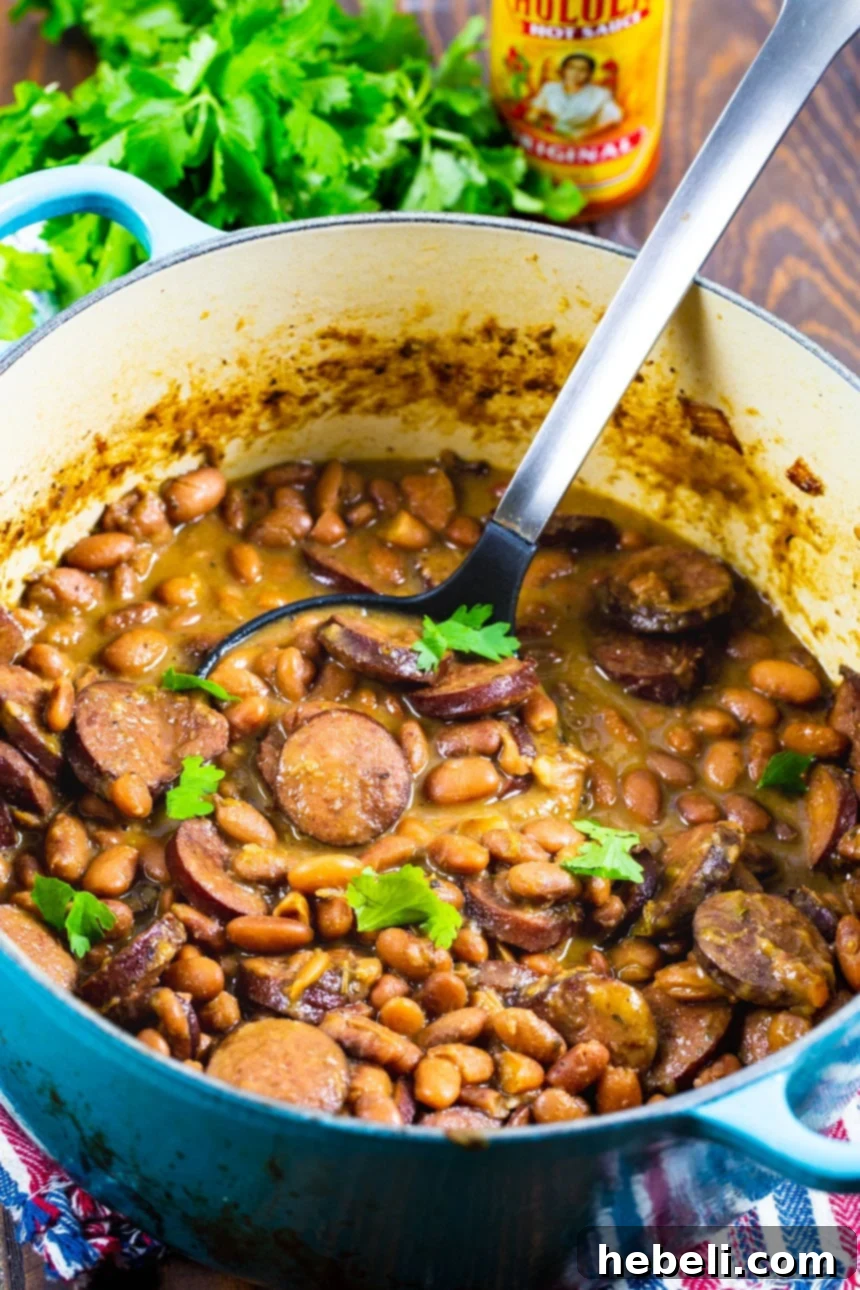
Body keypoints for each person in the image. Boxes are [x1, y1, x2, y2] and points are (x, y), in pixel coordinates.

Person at [526, 53, 623, 139]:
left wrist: (584, 135)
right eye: (571, 68)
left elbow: (614, 120)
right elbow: (533, 113)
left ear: (589, 74)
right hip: (552, 137)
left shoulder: (600, 94)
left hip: (587, 140)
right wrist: (544, 127)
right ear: (563, 70)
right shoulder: (549, 88)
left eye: (582, 70)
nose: (576, 73)